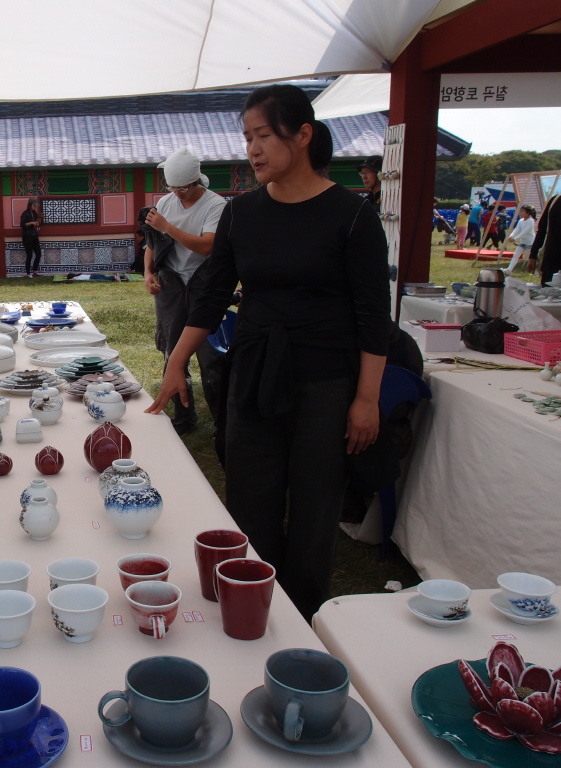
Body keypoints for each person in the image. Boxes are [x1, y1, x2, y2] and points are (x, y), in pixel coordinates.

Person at [147, 84, 390, 620]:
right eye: (247, 137)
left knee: (314, 506)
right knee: (249, 495)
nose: (252, 149)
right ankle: (250, 604)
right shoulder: (242, 214)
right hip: (255, 373)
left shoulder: (351, 215)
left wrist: (366, 399)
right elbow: (212, 295)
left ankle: (303, 616)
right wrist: (176, 363)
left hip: (325, 381)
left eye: (262, 136)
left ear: (302, 135)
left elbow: (374, 316)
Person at [143, 146, 227, 439]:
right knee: (172, 351)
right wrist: (149, 272)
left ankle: (222, 424)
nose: (178, 194)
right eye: (172, 188)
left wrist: (168, 226)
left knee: (210, 357)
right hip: (172, 284)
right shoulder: (165, 203)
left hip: (203, 283)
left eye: (184, 188)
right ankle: (184, 415)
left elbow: (207, 246)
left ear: (197, 181)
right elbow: (152, 243)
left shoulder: (215, 205)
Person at [530, 195, 560, 285]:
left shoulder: (555, 200)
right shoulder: (555, 200)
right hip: (552, 260)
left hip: (551, 261)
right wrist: (533, 255)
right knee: (549, 290)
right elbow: (542, 230)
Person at [503, 205, 537, 275]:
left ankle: (534, 271)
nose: (520, 213)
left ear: (528, 213)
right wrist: (511, 236)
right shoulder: (521, 221)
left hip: (530, 242)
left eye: (522, 211)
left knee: (530, 258)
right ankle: (509, 270)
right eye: (520, 211)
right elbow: (516, 229)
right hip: (523, 241)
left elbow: (525, 232)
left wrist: (515, 238)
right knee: (515, 256)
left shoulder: (531, 221)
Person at [20, 197, 43, 277]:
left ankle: (35, 272)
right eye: (34, 205)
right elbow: (22, 225)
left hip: (34, 236)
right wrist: (31, 223)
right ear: (30, 205)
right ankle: (28, 273)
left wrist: (37, 223)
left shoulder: (35, 213)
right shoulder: (25, 213)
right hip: (27, 236)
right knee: (29, 255)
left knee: (38, 254)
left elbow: (35, 224)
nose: (35, 207)